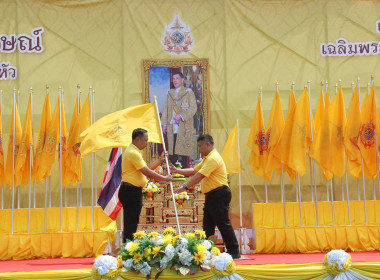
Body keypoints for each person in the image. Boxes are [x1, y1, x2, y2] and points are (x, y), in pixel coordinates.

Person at [172, 134, 240, 259]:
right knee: (207, 225)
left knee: (223, 223)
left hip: (219, 193)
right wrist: (177, 171)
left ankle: (234, 251)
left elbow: (199, 176)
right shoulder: (207, 158)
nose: (199, 149)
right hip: (212, 195)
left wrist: (185, 187)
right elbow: (194, 171)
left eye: (200, 146)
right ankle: (207, 251)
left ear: (208, 145)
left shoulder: (213, 158)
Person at [118, 128, 172, 243]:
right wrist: (164, 178)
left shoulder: (135, 151)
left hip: (132, 190)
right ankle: (128, 249)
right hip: (130, 190)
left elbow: (147, 167)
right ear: (137, 139)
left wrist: (160, 160)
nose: (147, 143)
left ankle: (128, 247)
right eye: (145, 140)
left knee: (131, 222)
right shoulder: (133, 152)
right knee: (131, 223)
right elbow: (146, 172)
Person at [161, 71, 197, 168]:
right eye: (173, 79)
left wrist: (181, 115)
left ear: (182, 80)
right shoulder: (170, 93)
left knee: (183, 151)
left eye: (177, 78)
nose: (175, 80)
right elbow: (166, 109)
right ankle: (172, 174)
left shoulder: (188, 92)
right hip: (171, 126)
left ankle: (185, 174)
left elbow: (193, 108)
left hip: (183, 126)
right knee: (172, 150)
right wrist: (164, 124)